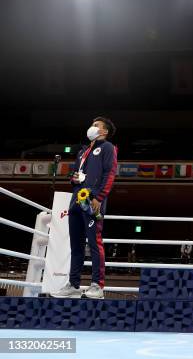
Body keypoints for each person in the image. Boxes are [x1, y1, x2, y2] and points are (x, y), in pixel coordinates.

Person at [52, 117, 118, 299]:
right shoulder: (82, 152)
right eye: (92, 124)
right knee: (76, 246)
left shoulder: (108, 148)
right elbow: (75, 175)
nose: (92, 127)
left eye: (96, 125)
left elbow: (110, 174)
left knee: (94, 243)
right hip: (75, 202)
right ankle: (73, 285)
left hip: (93, 202)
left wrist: (99, 197)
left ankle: (97, 285)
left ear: (104, 132)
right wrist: (73, 179)